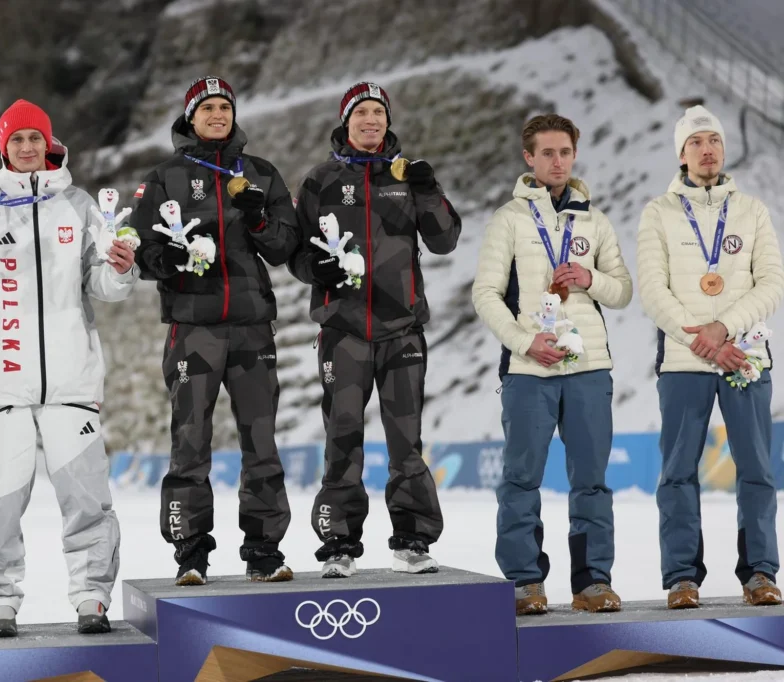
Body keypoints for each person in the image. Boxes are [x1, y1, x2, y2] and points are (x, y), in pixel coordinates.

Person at [0, 100, 137, 637]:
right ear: (3, 149)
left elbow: (102, 285)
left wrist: (120, 270)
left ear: (49, 143)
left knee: (85, 496)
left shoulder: (79, 205)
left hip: (70, 380)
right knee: (2, 502)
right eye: (17, 140)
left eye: (35, 138)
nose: (28, 147)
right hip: (6, 383)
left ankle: (91, 595)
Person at [287, 82, 461, 578]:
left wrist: (429, 189)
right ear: (346, 121)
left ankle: (412, 540)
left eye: (378, 112)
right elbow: (295, 254)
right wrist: (315, 270)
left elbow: (445, 240)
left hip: (401, 330)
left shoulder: (408, 176)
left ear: (387, 121)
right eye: (361, 112)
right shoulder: (320, 180)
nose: (371, 120)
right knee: (342, 436)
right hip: (343, 331)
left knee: (406, 441)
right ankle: (338, 543)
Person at [129, 76, 298, 586]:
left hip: (251, 327)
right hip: (193, 328)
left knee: (261, 441)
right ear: (191, 117)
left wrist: (260, 220)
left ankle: (264, 549)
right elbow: (140, 249)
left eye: (225, 106)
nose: (218, 115)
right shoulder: (165, 177)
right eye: (207, 108)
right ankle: (190, 552)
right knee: (190, 441)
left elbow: (286, 247)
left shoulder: (261, 173)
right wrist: (168, 258)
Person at [472, 113, 632, 615]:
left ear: (574, 155)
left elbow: (623, 291)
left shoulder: (595, 221)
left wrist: (590, 278)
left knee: (592, 482)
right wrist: (525, 343)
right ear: (529, 158)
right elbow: (485, 294)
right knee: (521, 479)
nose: (557, 162)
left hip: (589, 367)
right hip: (529, 369)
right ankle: (525, 583)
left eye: (565, 152)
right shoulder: (509, 219)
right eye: (547, 153)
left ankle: (592, 582)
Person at [638, 105, 784, 609]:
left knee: (757, 469)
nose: (707, 149)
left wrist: (724, 329)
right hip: (685, 360)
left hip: (745, 356)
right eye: (696, 142)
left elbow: (772, 284)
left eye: (714, 140)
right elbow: (653, 291)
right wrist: (702, 339)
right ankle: (682, 577)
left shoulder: (752, 211)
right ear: (681, 154)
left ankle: (760, 572)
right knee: (678, 471)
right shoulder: (658, 212)